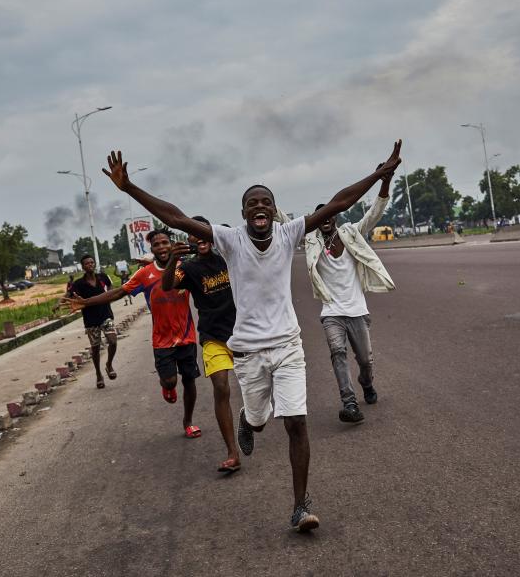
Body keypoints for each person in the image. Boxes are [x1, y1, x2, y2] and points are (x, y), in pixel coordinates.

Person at [100, 140, 402, 532]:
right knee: (259, 422)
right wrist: (130, 189)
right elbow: (175, 218)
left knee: (296, 423)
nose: (259, 207)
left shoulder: (289, 232)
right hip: (248, 353)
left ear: (273, 212)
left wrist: (380, 174)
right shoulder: (229, 240)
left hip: (288, 347)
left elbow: (338, 202)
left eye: (265, 203)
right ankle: (249, 420)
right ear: (242, 213)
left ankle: (300, 505)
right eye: (252, 203)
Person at [64, 230, 202, 439]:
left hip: (187, 336)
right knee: (171, 381)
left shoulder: (185, 268)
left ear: (171, 245)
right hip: (162, 340)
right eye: (157, 245)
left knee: (189, 380)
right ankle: (166, 385)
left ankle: (188, 421)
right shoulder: (144, 274)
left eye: (165, 243)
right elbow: (118, 293)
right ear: (152, 249)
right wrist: (85, 302)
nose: (162, 247)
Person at [303, 166, 397, 423]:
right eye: (320, 215)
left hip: (357, 310)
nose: (325, 218)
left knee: (365, 361)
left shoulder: (350, 233)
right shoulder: (311, 241)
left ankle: (366, 384)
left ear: (335, 216)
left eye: (330, 213)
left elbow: (374, 213)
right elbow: (282, 222)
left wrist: (384, 182)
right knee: (338, 354)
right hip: (332, 312)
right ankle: (350, 403)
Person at [161, 216, 241, 473]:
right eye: (193, 235)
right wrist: (173, 258)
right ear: (188, 240)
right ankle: (232, 452)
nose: (199, 239)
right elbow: (167, 285)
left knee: (256, 394)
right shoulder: (189, 267)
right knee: (221, 388)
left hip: (242, 333)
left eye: (203, 233)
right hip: (212, 337)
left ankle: (251, 421)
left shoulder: (228, 258)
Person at [67, 256, 117, 389]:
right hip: (90, 320)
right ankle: (99, 374)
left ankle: (109, 364)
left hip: (106, 315)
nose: (90, 265)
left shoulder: (103, 277)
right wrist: (59, 304)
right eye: (87, 263)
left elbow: (111, 288)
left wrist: (111, 294)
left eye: (92, 262)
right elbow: (69, 295)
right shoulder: (79, 283)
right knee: (95, 348)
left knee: (112, 341)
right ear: (82, 267)